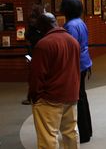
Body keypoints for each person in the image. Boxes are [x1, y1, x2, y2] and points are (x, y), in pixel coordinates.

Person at [28, 12, 81, 149]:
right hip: (71, 95)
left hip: (49, 98)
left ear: (43, 26)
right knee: (71, 132)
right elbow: (76, 69)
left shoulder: (43, 45)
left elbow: (37, 76)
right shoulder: (73, 41)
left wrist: (35, 96)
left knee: (48, 137)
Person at [60, 0, 93, 143]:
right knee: (82, 96)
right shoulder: (80, 22)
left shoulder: (71, 26)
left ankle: (83, 133)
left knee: (77, 98)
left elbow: (70, 47)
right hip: (83, 62)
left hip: (76, 65)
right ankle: (87, 131)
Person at [22, 4, 45, 105]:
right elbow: (28, 44)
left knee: (34, 77)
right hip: (34, 55)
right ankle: (31, 96)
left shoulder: (37, 29)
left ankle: (32, 97)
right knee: (33, 77)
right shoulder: (35, 29)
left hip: (36, 55)